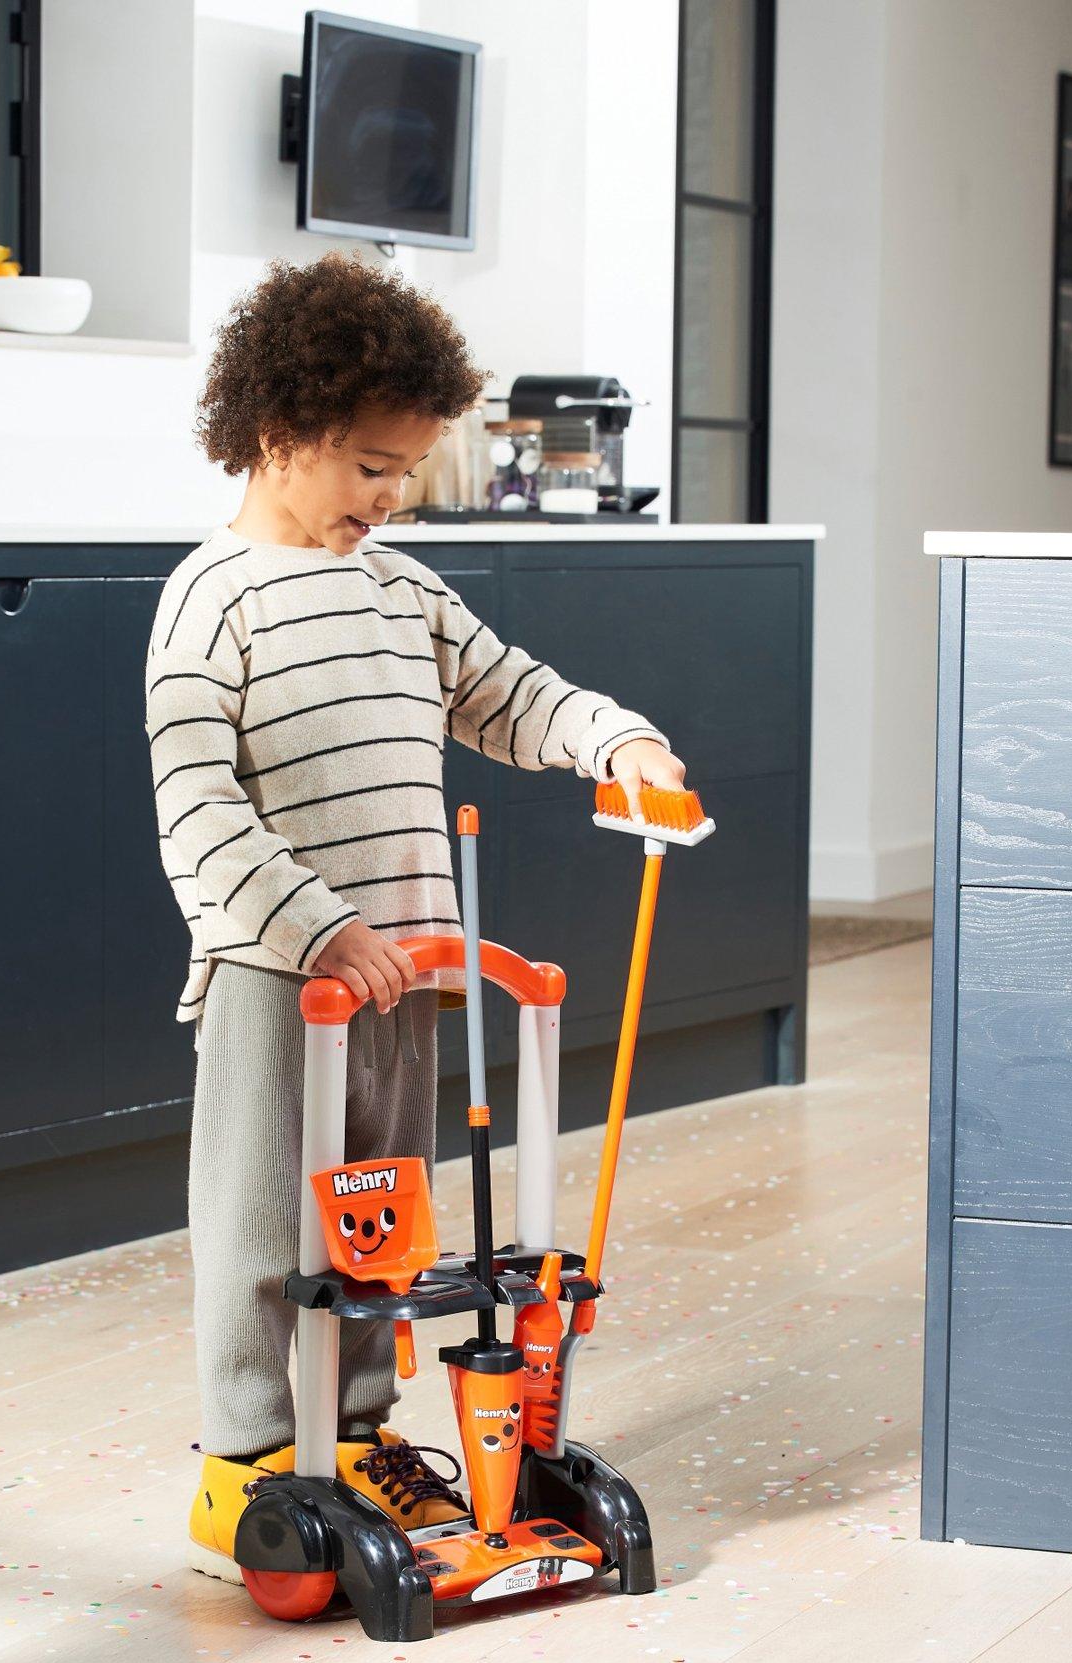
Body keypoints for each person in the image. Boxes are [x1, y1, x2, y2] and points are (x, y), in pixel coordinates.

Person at [144, 252, 687, 1583]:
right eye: (369, 468)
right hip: (284, 972)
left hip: (413, 972)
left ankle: (359, 1434)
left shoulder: (404, 594)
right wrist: (314, 925)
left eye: (405, 475)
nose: (388, 500)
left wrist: (617, 743)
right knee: (265, 1226)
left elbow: (514, 696)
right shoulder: (211, 601)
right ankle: (249, 1464)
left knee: (377, 1221)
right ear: (279, 434)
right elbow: (196, 810)